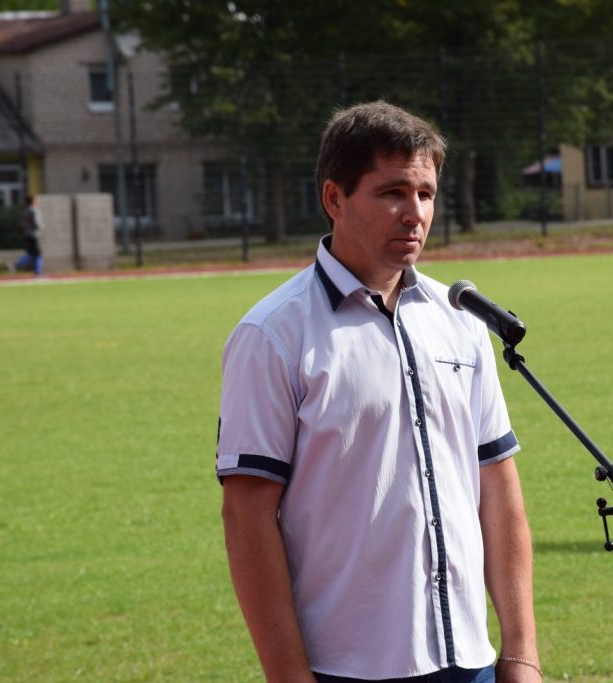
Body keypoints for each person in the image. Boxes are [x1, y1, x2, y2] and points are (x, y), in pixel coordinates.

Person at [216, 101, 539, 683]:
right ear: (334, 198)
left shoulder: (461, 320)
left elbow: (497, 485)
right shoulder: (272, 335)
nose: (415, 214)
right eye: (392, 192)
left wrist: (520, 652)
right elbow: (246, 517)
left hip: (469, 662)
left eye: (426, 193)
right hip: (344, 668)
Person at [9, 195, 43, 276]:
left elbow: (21, 223)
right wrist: (41, 226)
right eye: (36, 200)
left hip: (27, 235)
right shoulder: (34, 210)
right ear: (32, 201)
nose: (38, 202)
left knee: (31, 253)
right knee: (37, 254)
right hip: (33, 235)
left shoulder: (25, 211)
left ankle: (15, 265)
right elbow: (38, 224)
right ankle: (38, 272)